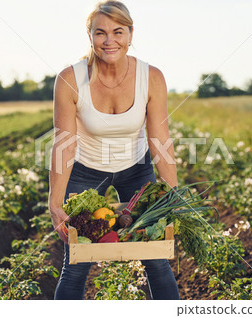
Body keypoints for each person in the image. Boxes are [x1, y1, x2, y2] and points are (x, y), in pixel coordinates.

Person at [48, 0, 180, 300]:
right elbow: (64, 143)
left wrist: (172, 195)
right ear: (89, 35)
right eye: (100, 33)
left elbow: (160, 138)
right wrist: (55, 203)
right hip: (84, 170)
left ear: (131, 35)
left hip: (135, 169)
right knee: (76, 261)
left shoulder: (152, 77)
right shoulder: (70, 79)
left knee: (155, 257)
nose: (109, 40)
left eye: (118, 32)